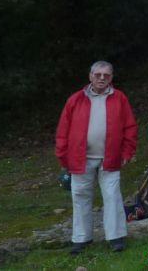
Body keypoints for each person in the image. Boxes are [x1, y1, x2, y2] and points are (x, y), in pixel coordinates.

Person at [55, 61, 138, 255]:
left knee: (112, 196)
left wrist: (127, 152)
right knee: (80, 197)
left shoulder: (119, 98)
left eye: (106, 75)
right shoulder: (75, 100)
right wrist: (63, 157)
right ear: (90, 76)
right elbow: (63, 131)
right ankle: (81, 238)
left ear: (111, 77)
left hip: (110, 158)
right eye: (98, 74)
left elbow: (130, 128)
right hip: (80, 158)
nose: (102, 78)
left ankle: (116, 237)